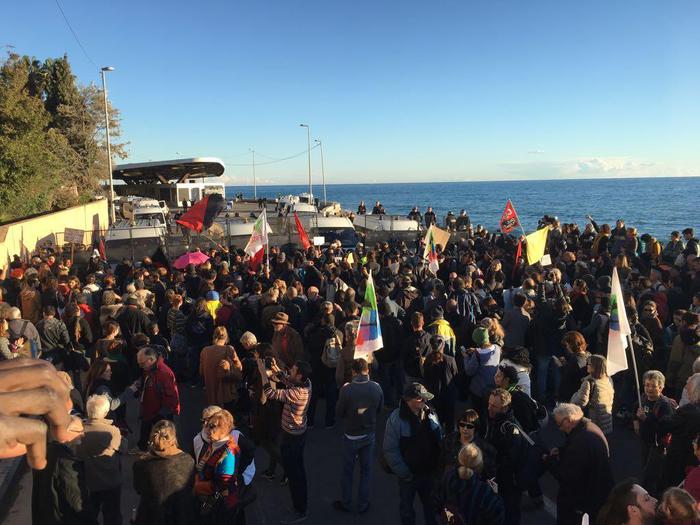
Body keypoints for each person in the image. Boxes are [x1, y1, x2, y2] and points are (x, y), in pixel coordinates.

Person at [261, 359, 312, 524]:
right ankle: (301, 505)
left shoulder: (296, 393)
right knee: (299, 469)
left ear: (300, 375)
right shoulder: (306, 383)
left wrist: (263, 373)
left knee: (294, 474)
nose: (290, 372)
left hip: (292, 437)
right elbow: (289, 381)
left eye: (293, 370)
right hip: (299, 433)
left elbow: (270, 393)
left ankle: (300, 510)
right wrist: (278, 370)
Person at [383, 382, 442, 525]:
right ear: (408, 399)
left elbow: (440, 440)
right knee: (407, 511)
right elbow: (390, 450)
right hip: (409, 476)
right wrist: (405, 473)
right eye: (421, 398)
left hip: (429, 473)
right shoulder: (396, 420)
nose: (425, 401)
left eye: (425, 398)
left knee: (432, 509)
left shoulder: (431, 414)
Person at [545, 403, 614, 525]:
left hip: (582, 503)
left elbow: (566, 476)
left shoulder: (580, 443)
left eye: (560, 425)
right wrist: (563, 449)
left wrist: (550, 461)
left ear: (569, 421)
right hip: (598, 494)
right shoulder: (590, 428)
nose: (560, 429)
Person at [333, 358, 383, 513]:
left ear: (353, 371)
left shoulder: (346, 389)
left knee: (347, 472)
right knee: (366, 471)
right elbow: (379, 409)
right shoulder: (376, 387)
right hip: (368, 434)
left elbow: (339, 413)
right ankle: (363, 504)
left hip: (351, 435)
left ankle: (346, 502)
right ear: (367, 370)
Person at [76, 394, 127, 525]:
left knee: (91, 512)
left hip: (90, 481)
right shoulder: (111, 431)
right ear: (105, 412)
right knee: (112, 514)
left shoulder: (79, 431)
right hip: (111, 481)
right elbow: (123, 448)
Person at [132, 420, 196, 525]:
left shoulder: (141, 464)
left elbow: (139, 489)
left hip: (150, 517)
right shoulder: (188, 461)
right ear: (174, 439)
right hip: (180, 516)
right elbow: (190, 487)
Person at [433, 443, 505, 525]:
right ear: (479, 465)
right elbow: (497, 518)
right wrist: (495, 494)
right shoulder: (484, 491)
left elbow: (436, 505)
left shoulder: (447, 479)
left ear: (460, 459)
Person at [193, 409, 241, 523]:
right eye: (208, 425)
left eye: (212, 426)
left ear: (224, 429)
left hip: (221, 504)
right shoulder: (214, 443)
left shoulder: (228, 453)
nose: (207, 429)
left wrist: (197, 487)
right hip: (210, 499)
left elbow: (223, 483)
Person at [635, 370, 677, 496]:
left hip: (657, 445)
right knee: (644, 468)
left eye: (653, 386)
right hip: (644, 441)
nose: (649, 389)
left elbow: (664, 429)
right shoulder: (642, 397)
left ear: (661, 387)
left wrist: (646, 419)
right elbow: (635, 409)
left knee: (650, 475)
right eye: (647, 385)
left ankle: (650, 498)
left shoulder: (664, 405)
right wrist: (635, 421)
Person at [135, 346, 180, 451]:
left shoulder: (164, 373)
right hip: (149, 408)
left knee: (163, 435)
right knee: (145, 428)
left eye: (142, 363)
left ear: (150, 360)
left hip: (159, 412)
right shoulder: (150, 368)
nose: (140, 366)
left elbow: (171, 397)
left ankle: (166, 452)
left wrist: (161, 414)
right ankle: (142, 447)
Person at [200, 326, 243, 411]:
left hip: (211, 393)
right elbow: (240, 368)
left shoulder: (204, 351)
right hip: (227, 392)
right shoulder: (229, 350)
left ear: (214, 336)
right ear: (226, 337)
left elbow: (201, 372)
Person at [571, 354, 615, 435]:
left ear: (595, 367)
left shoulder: (589, 383)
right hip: (607, 424)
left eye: (589, 364)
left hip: (593, 423)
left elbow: (579, 403)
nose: (587, 365)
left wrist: (574, 395)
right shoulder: (609, 379)